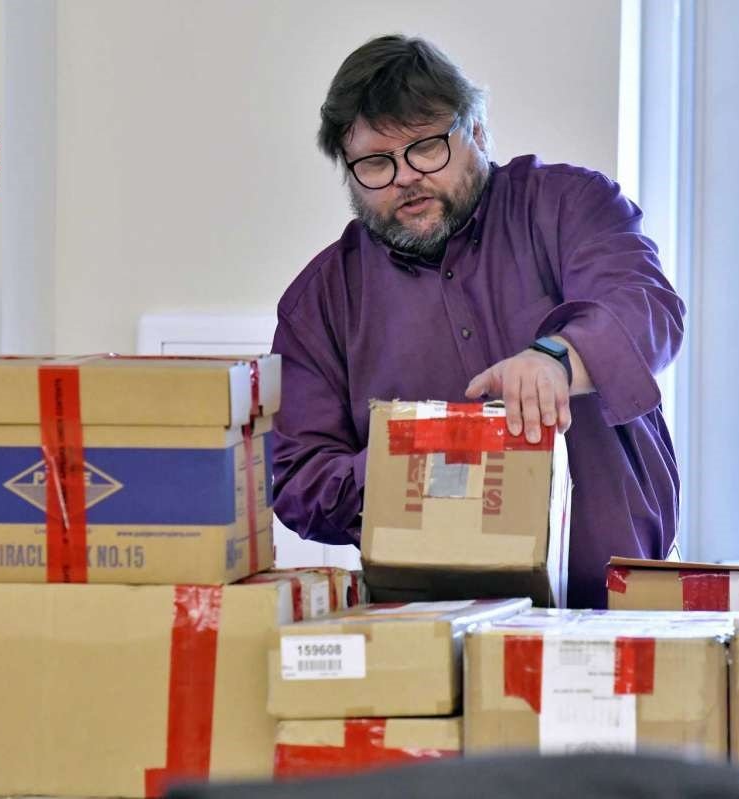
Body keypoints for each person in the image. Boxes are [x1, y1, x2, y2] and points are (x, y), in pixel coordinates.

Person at [271, 35, 684, 608]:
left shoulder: (569, 205)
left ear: (479, 133)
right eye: (376, 163)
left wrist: (556, 359)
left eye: (426, 148)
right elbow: (298, 480)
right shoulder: (320, 301)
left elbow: (645, 306)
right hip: (427, 625)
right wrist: (422, 465)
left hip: (619, 606)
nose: (405, 177)